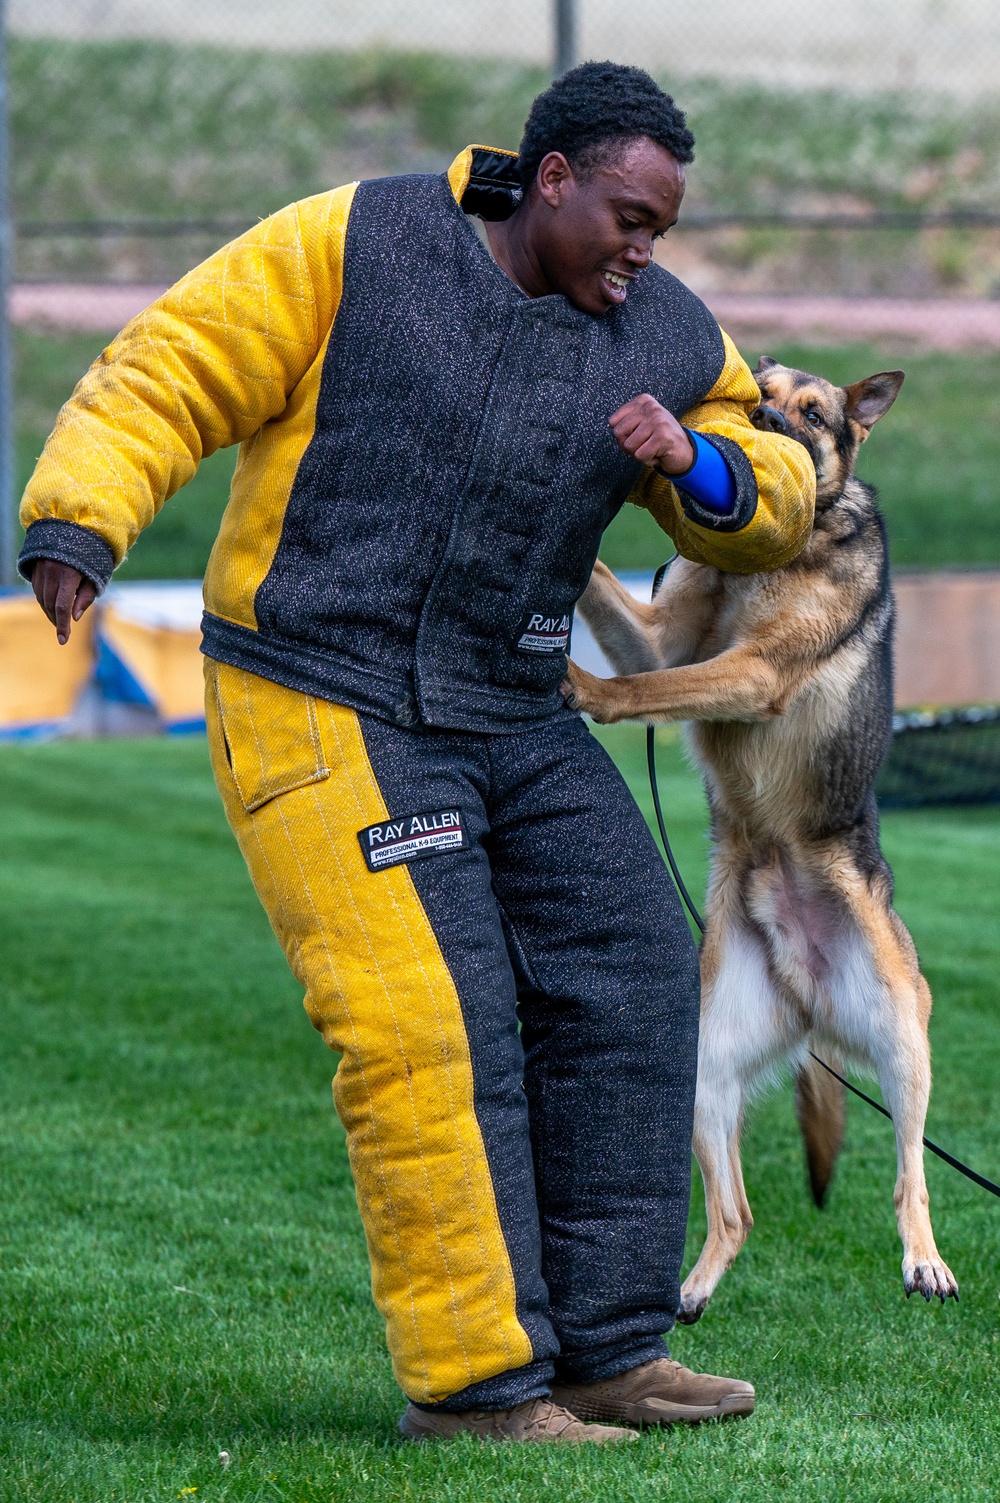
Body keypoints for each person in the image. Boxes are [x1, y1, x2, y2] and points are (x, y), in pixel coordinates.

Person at [20, 62, 814, 1444]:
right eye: (629, 216)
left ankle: (612, 1353)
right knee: (423, 1025)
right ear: (548, 175)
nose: (645, 250)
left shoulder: (666, 331)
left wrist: (695, 465)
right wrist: (81, 523)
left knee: (630, 975)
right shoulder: (356, 242)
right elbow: (172, 364)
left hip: (514, 704)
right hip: (319, 690)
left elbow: (779, 484)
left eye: (663, 231)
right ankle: (478, 1389)